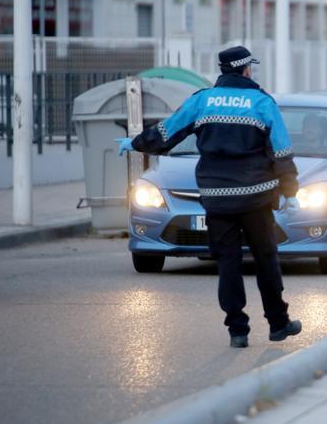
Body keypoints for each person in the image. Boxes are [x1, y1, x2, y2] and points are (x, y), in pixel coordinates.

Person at [116, 46, 303, 347]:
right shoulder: (261, 103)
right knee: (266, 259)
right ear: (246, 70)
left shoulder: (202, 101)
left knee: (228, 262)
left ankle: (237, 331)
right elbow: (281, 151)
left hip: (216, 198)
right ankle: (278, 324)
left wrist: (135, 142)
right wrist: (290, 191)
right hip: (256, 198)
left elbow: (166, 133)